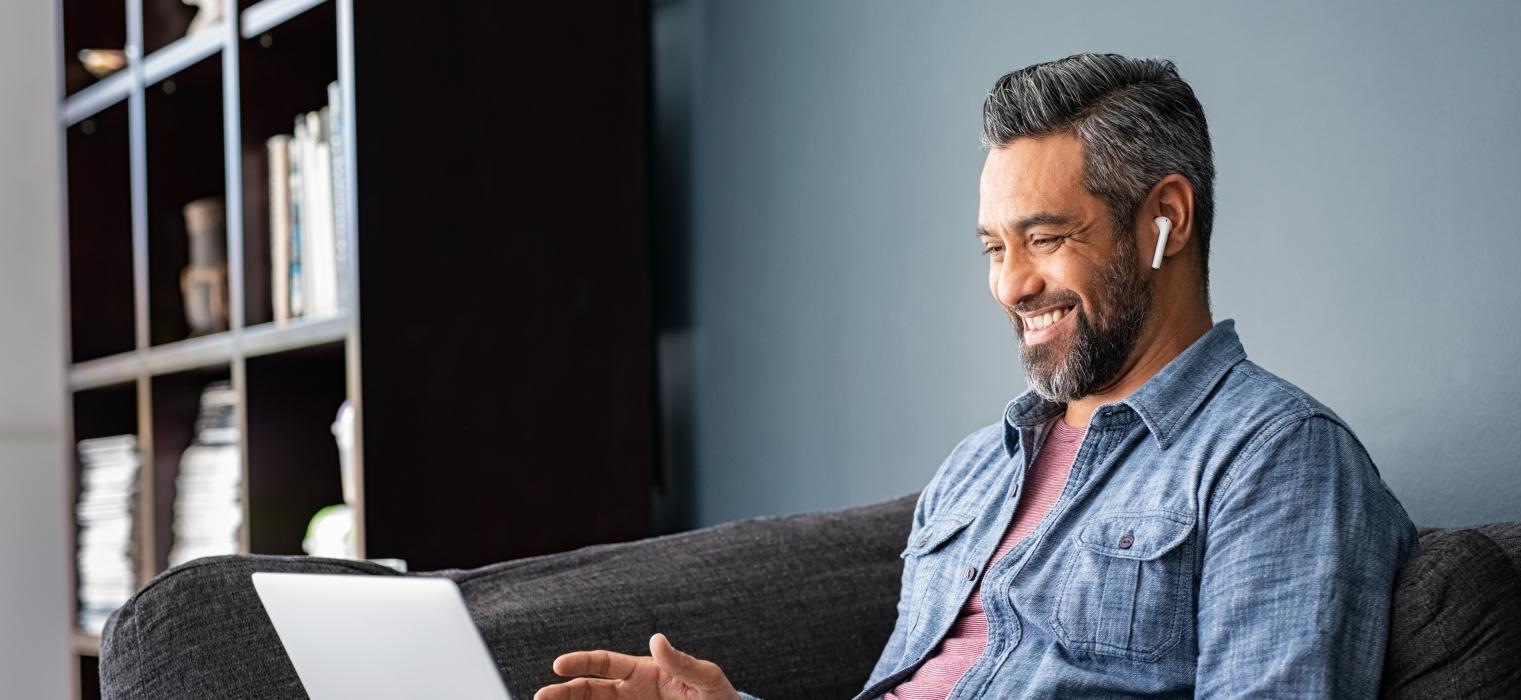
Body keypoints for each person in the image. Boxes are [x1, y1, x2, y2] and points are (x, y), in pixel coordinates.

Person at [534, 52, 1417, 700]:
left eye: (1044, 237)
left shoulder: (1276, 459)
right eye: (995, 248)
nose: (1011, 284)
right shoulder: (977, 469)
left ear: (1167, 221)